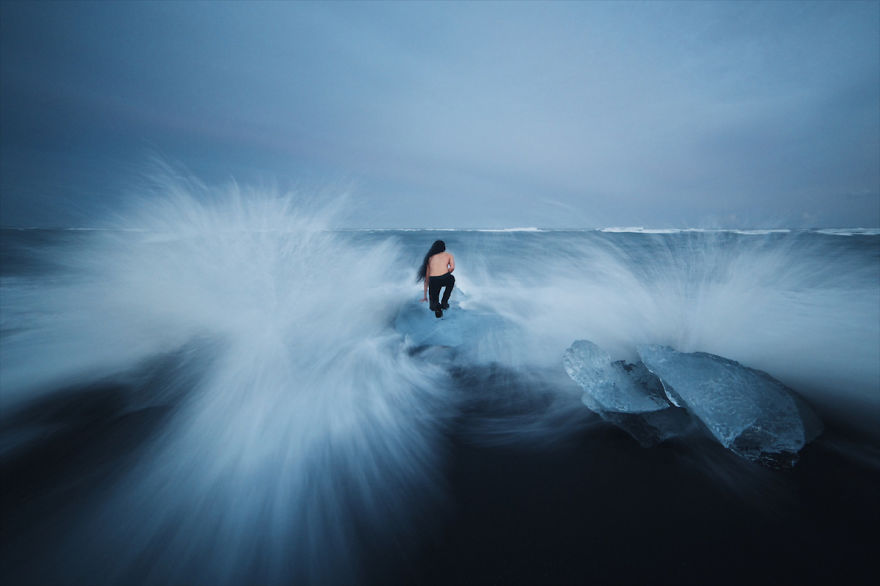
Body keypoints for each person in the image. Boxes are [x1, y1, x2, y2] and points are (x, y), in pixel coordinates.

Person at [417, 240, 455, 318]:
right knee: (451, 279)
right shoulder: (449, 255)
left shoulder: (430, 258)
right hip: (445, 278)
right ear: (444, 248)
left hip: (433, 280)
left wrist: (425, 296)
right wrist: (445, 273)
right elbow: (452, 268)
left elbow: (427, 279)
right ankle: (444, 302)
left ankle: (437, 306)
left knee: (432, 306)